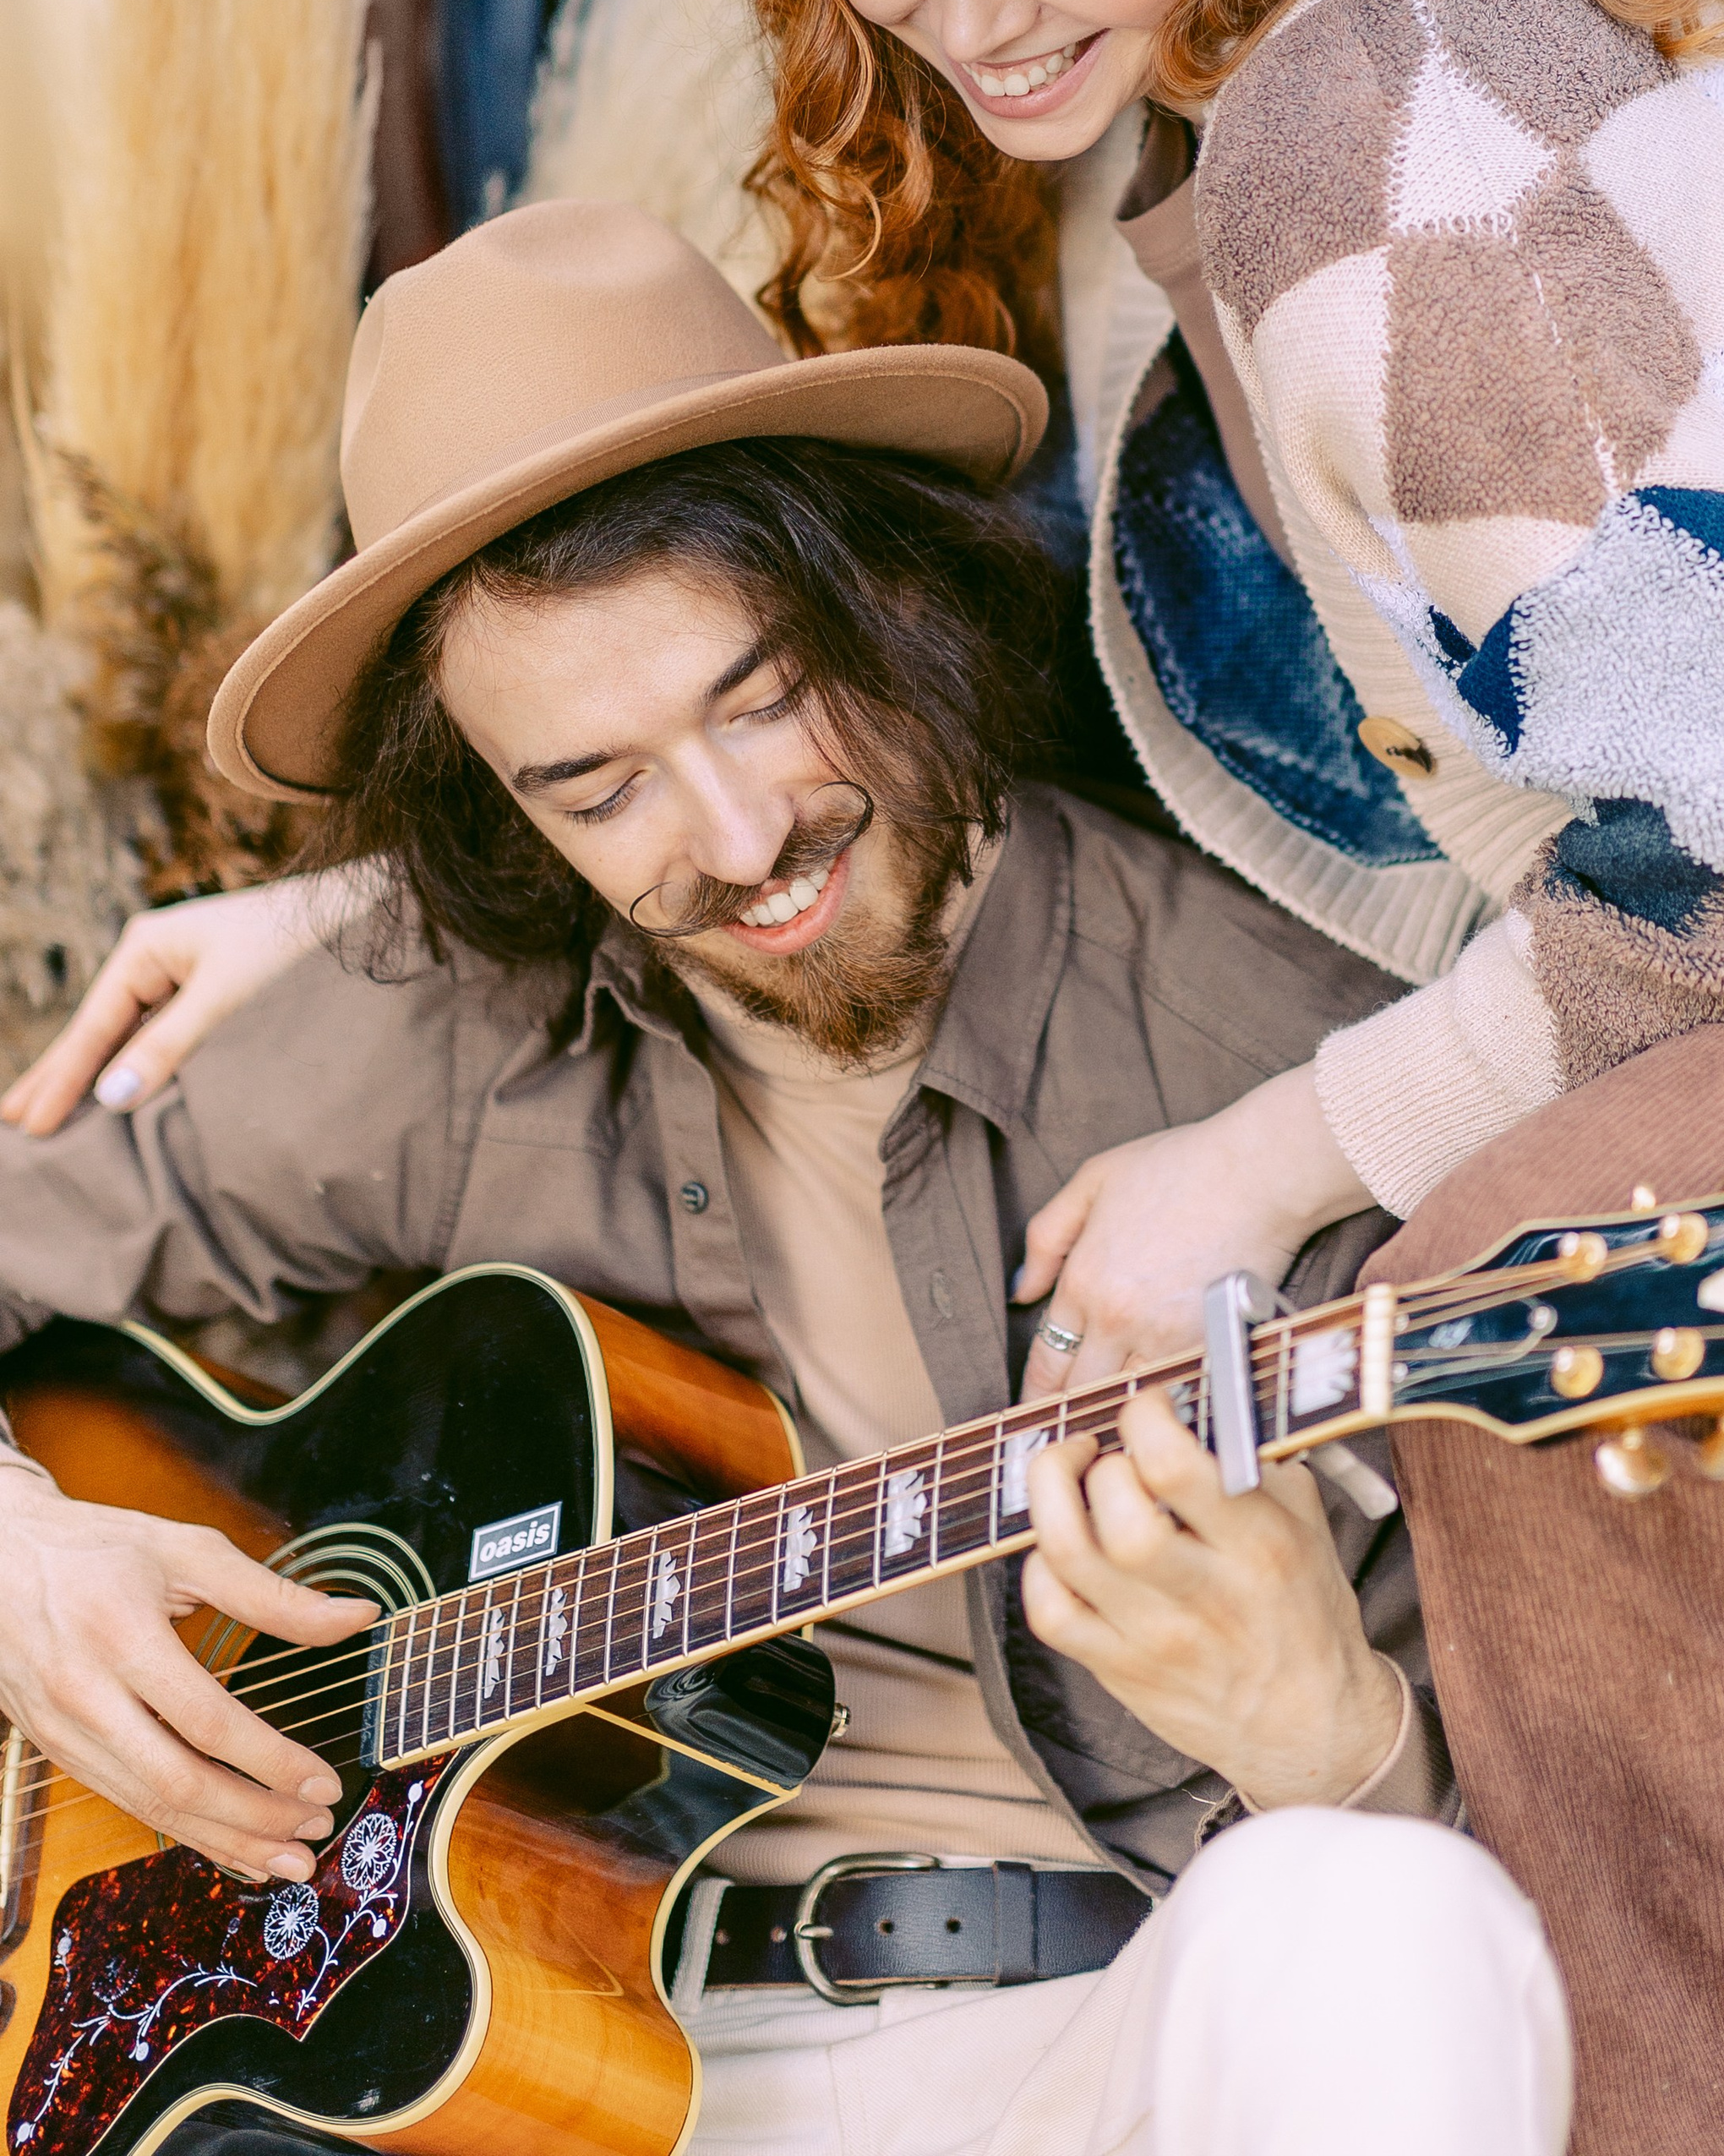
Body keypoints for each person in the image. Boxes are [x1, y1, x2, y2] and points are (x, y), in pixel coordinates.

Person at [24, 0, 1724, 2154]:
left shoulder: (1373, 135)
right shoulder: (1210, 170)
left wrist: (1278, 1157)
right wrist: (387, 921)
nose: (963, 9)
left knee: (1553, 1304)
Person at [0, 199, 1569, 2156]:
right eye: (599, 786)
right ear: (499, 808)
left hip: (1081, 2035)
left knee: (1383, 1920)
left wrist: (1332, 1747)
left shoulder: (1286, 1069)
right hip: (518, 2070)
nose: (741, 838)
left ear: (884, 597)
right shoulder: (434, 1014)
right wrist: (25, 1559)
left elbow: (1585, 1899)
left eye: (759, 699)